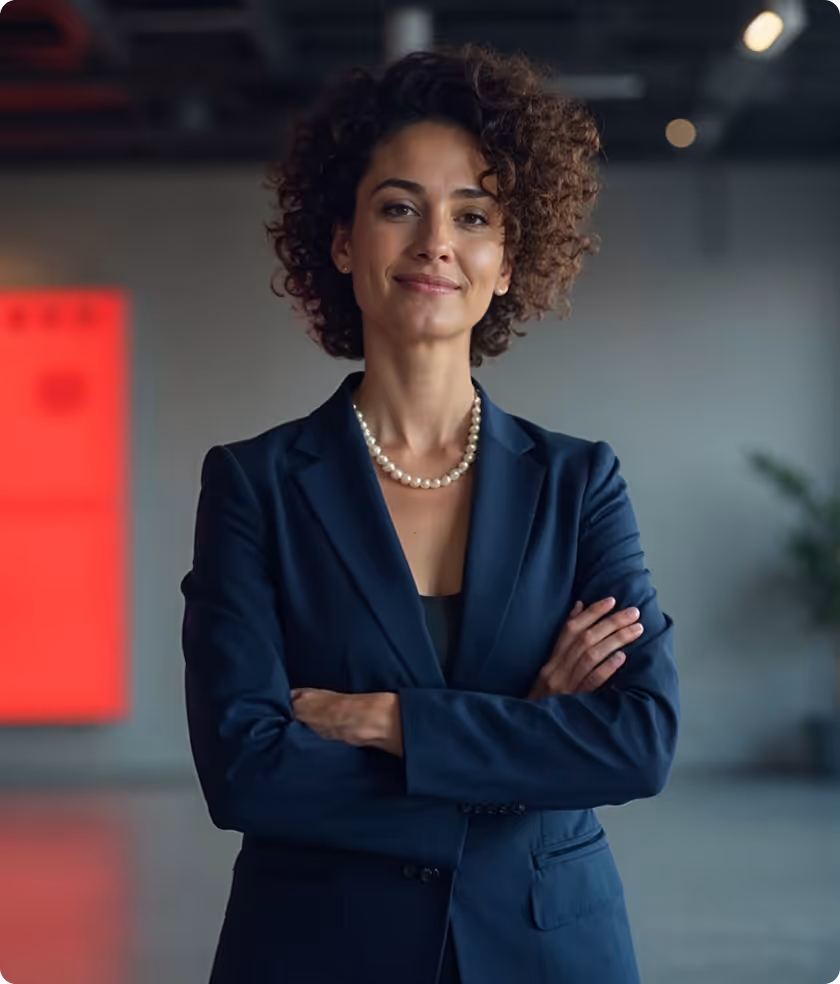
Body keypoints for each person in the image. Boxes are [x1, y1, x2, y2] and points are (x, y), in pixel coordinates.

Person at [180, 43, 679, 984]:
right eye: (399, 205)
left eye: (474, 214)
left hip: (548, 950)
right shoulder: (253, 484)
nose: (435, 241)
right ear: (341, 242)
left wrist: (399, 724)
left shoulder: (581, 483)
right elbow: (246, 769)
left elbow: (638, 740)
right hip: (317, 951)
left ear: (504, 261)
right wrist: (524, 734)